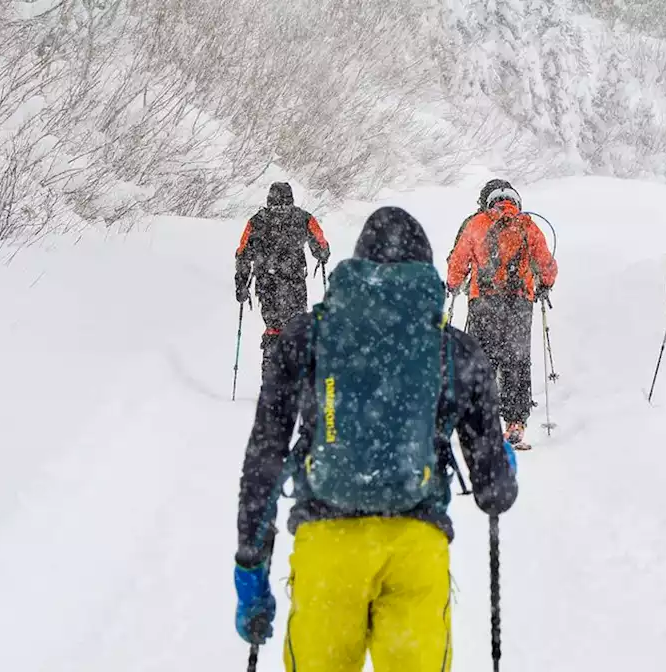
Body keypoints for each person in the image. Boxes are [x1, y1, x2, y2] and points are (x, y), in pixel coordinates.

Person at [233, 206, 519, 672]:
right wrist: (502, 463)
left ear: (358, 268)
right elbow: (493, 492)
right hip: (415, 549)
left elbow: (264, 458)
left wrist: (251, 565)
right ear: (426, 272)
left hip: (327, 549)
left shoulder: (307, 336)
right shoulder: (455, 349)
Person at [446, 179, 558, 449]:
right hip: (519, 305)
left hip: (484, 303)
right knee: (517, 361)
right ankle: (516, 421)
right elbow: (547, 266)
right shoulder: (528, 225)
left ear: (488, 200)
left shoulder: (476, 224)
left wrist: (453, 283)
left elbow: (458, 262)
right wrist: (544, 284)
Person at [235, 181, 331, 370]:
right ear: (291, 197)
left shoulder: (257, 221)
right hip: (293, 281)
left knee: (273, 324)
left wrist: (241, 283)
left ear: (269, 198)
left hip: (266, 282)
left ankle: (271, 368)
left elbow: (243, 253)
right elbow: (321, 244)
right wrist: (323, 254)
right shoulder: (303, 218)